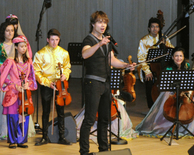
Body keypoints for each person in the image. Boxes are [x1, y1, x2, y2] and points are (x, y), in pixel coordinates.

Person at [79, 11, 136, 155]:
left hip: (106, 84)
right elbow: (85, 54)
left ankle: (103, 150)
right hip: (93, 82)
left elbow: (112, 60)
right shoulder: (89, 40)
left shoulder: (106, 40)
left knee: (105, 119)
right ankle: (84, 151)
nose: (103, 25)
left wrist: (125, 65)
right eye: (99, 22)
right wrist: (99, 44)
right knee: (90, 119)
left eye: (104, 22)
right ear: (93, 24)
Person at [135, 47, 194, 138]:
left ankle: (191, 129)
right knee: (165, 94)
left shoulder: (186, 66)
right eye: (176, 56)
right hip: (172, 93)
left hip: (185, 95)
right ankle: (164, 125)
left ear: (183, 57)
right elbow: (166, 85)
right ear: (172, 57)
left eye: (180, 56)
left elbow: (191, 84)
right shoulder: (168, 68)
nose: (178, 58)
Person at [33, 28, 72, 146]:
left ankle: (61, 137)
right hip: (47, 85)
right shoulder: (40, 53)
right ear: (47, 39)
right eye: (52, 40)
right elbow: (36, 72)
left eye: (57, 40)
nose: (54, 42)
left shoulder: (64, 53)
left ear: (59, 40)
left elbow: (67, 67)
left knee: (60, 111)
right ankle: (44, 137)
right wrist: (47, 82)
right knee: (46, 111)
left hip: (60, 86)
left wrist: (65, 75)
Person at [0, 35, 37, 148]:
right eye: (21, 46)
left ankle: (21, 140)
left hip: (25, 93)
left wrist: (27, 84)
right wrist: (14, 85)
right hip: (13, 93)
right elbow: (3, 77)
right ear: (15, 47)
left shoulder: (29, 61)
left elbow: (31, 77)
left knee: (24, 115)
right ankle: (12, 140)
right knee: (13, 117)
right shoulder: (10, 61)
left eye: (25, 46)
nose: (24, 49)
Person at [137, 17, 174, 109]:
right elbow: (141, 58)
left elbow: (172, 50)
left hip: (162, 65)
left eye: (157, 26)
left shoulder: (164, 38)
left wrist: (165, 45)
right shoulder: (143, 40)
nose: (155, 29)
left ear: (159, 28)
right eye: (152, 27)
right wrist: (147, 71)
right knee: (150, 80)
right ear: (149, 28)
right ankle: (151, 107)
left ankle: (167, 105)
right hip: (148, 66)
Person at [0, 21, 16, 140]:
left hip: (14, 79)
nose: (10, 33)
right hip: (1, 79)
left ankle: (13, 131)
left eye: (12, 30)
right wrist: (4, 65)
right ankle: (3, 131)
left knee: (13, 105)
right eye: (7, 30)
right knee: (2, 105)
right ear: (3, 32)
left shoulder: (17, 45)